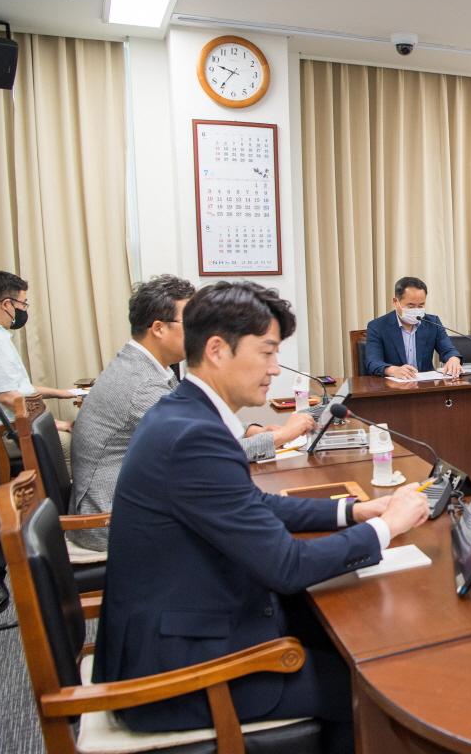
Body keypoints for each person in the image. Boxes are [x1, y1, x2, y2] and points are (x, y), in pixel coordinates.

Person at [93, 281, 430, 754]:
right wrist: (387, 526)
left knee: (345, 635)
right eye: (267, 352)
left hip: (186, 626)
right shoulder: (193, 435)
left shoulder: (185, 413)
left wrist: (352, 511)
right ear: (216, 350)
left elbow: (256, 506)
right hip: (181, 673)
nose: (275, 369)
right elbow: (286, 567)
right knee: (377, 682)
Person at [70, 276, 315, 552]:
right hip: (110, 521)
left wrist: (248, 430)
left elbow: (199, 421)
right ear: (159, 328)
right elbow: (206, 449)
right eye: (190, 323)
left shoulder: (146, 366)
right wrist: (282, 435)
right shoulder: (142, 384)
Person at [0, 270, 76, 616]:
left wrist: (66, 392)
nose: (24, 311)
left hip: (19, 422)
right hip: (7, 435)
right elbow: (7, 397)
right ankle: (72, 526)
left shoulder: (0, 337)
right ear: (7, 303)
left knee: (70, 433)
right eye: (23, 303)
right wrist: (50, 420)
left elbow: (24, 389)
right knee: (68, 443)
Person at [364, 276, 461, 379]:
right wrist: (393, 370)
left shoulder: (432, 323)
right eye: (410, 306)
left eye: (420, 306)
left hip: (425, 386)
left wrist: (453, 358)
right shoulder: (377, 326)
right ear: (395, 302)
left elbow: (448, 350)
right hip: (393, 388)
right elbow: (372, 362)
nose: (416, 310)